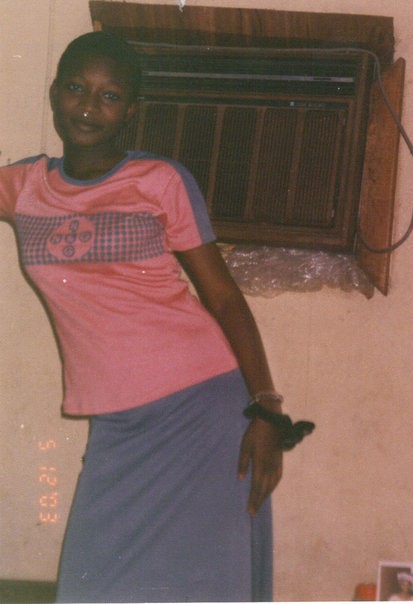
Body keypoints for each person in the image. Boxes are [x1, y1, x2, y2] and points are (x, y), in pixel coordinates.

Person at [0, 31, 299, 602]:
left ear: (131, 110)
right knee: (92, 586)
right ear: (54, 93)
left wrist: (267, 408)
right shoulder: (24, 187)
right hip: (116, 425)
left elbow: (223, 298)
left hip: (202, 410)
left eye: (110, 96)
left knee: (201, 587)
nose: (89, 107)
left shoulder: (160, 180)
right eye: (76, 88)